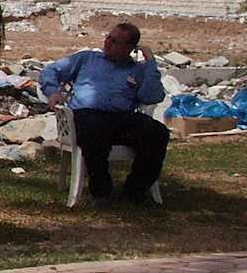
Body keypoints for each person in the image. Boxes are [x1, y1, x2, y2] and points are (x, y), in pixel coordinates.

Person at [39, 21, 169, 206]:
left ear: (129, 48)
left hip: (121, 118)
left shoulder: (137, 70)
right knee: (94, 129)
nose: (108, 43)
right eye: (108, 37)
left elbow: (152, 96)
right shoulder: (88, 59)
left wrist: (150, 63)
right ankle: (101, 191)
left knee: (157, 133)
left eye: (115, 41)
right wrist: (53, 91)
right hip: (86, 115)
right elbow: (50, 70)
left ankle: (134, 191)